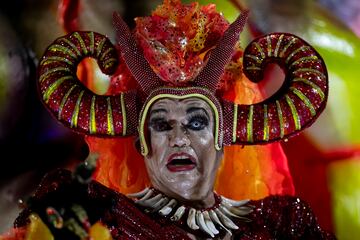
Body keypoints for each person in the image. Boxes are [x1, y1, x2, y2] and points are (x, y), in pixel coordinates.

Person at [3, 0, 335, 239]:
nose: (179, 138)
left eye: (196, 123)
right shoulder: (87, 213)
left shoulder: (282, 223)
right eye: (162, 124)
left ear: (223, 139)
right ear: (141, 142)